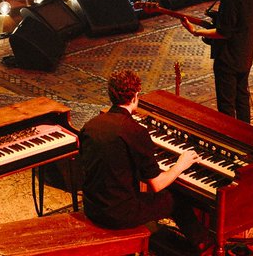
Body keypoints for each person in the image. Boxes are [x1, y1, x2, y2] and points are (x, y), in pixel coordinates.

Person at [80, 69, 211, 253]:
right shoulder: (134, 131)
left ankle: (170, 241)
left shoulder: (91, 125)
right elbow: (157, 184)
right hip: (119, 214)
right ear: (135, 96)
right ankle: (205, 246)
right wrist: (180, 164)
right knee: (176, 200)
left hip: (93, 207)